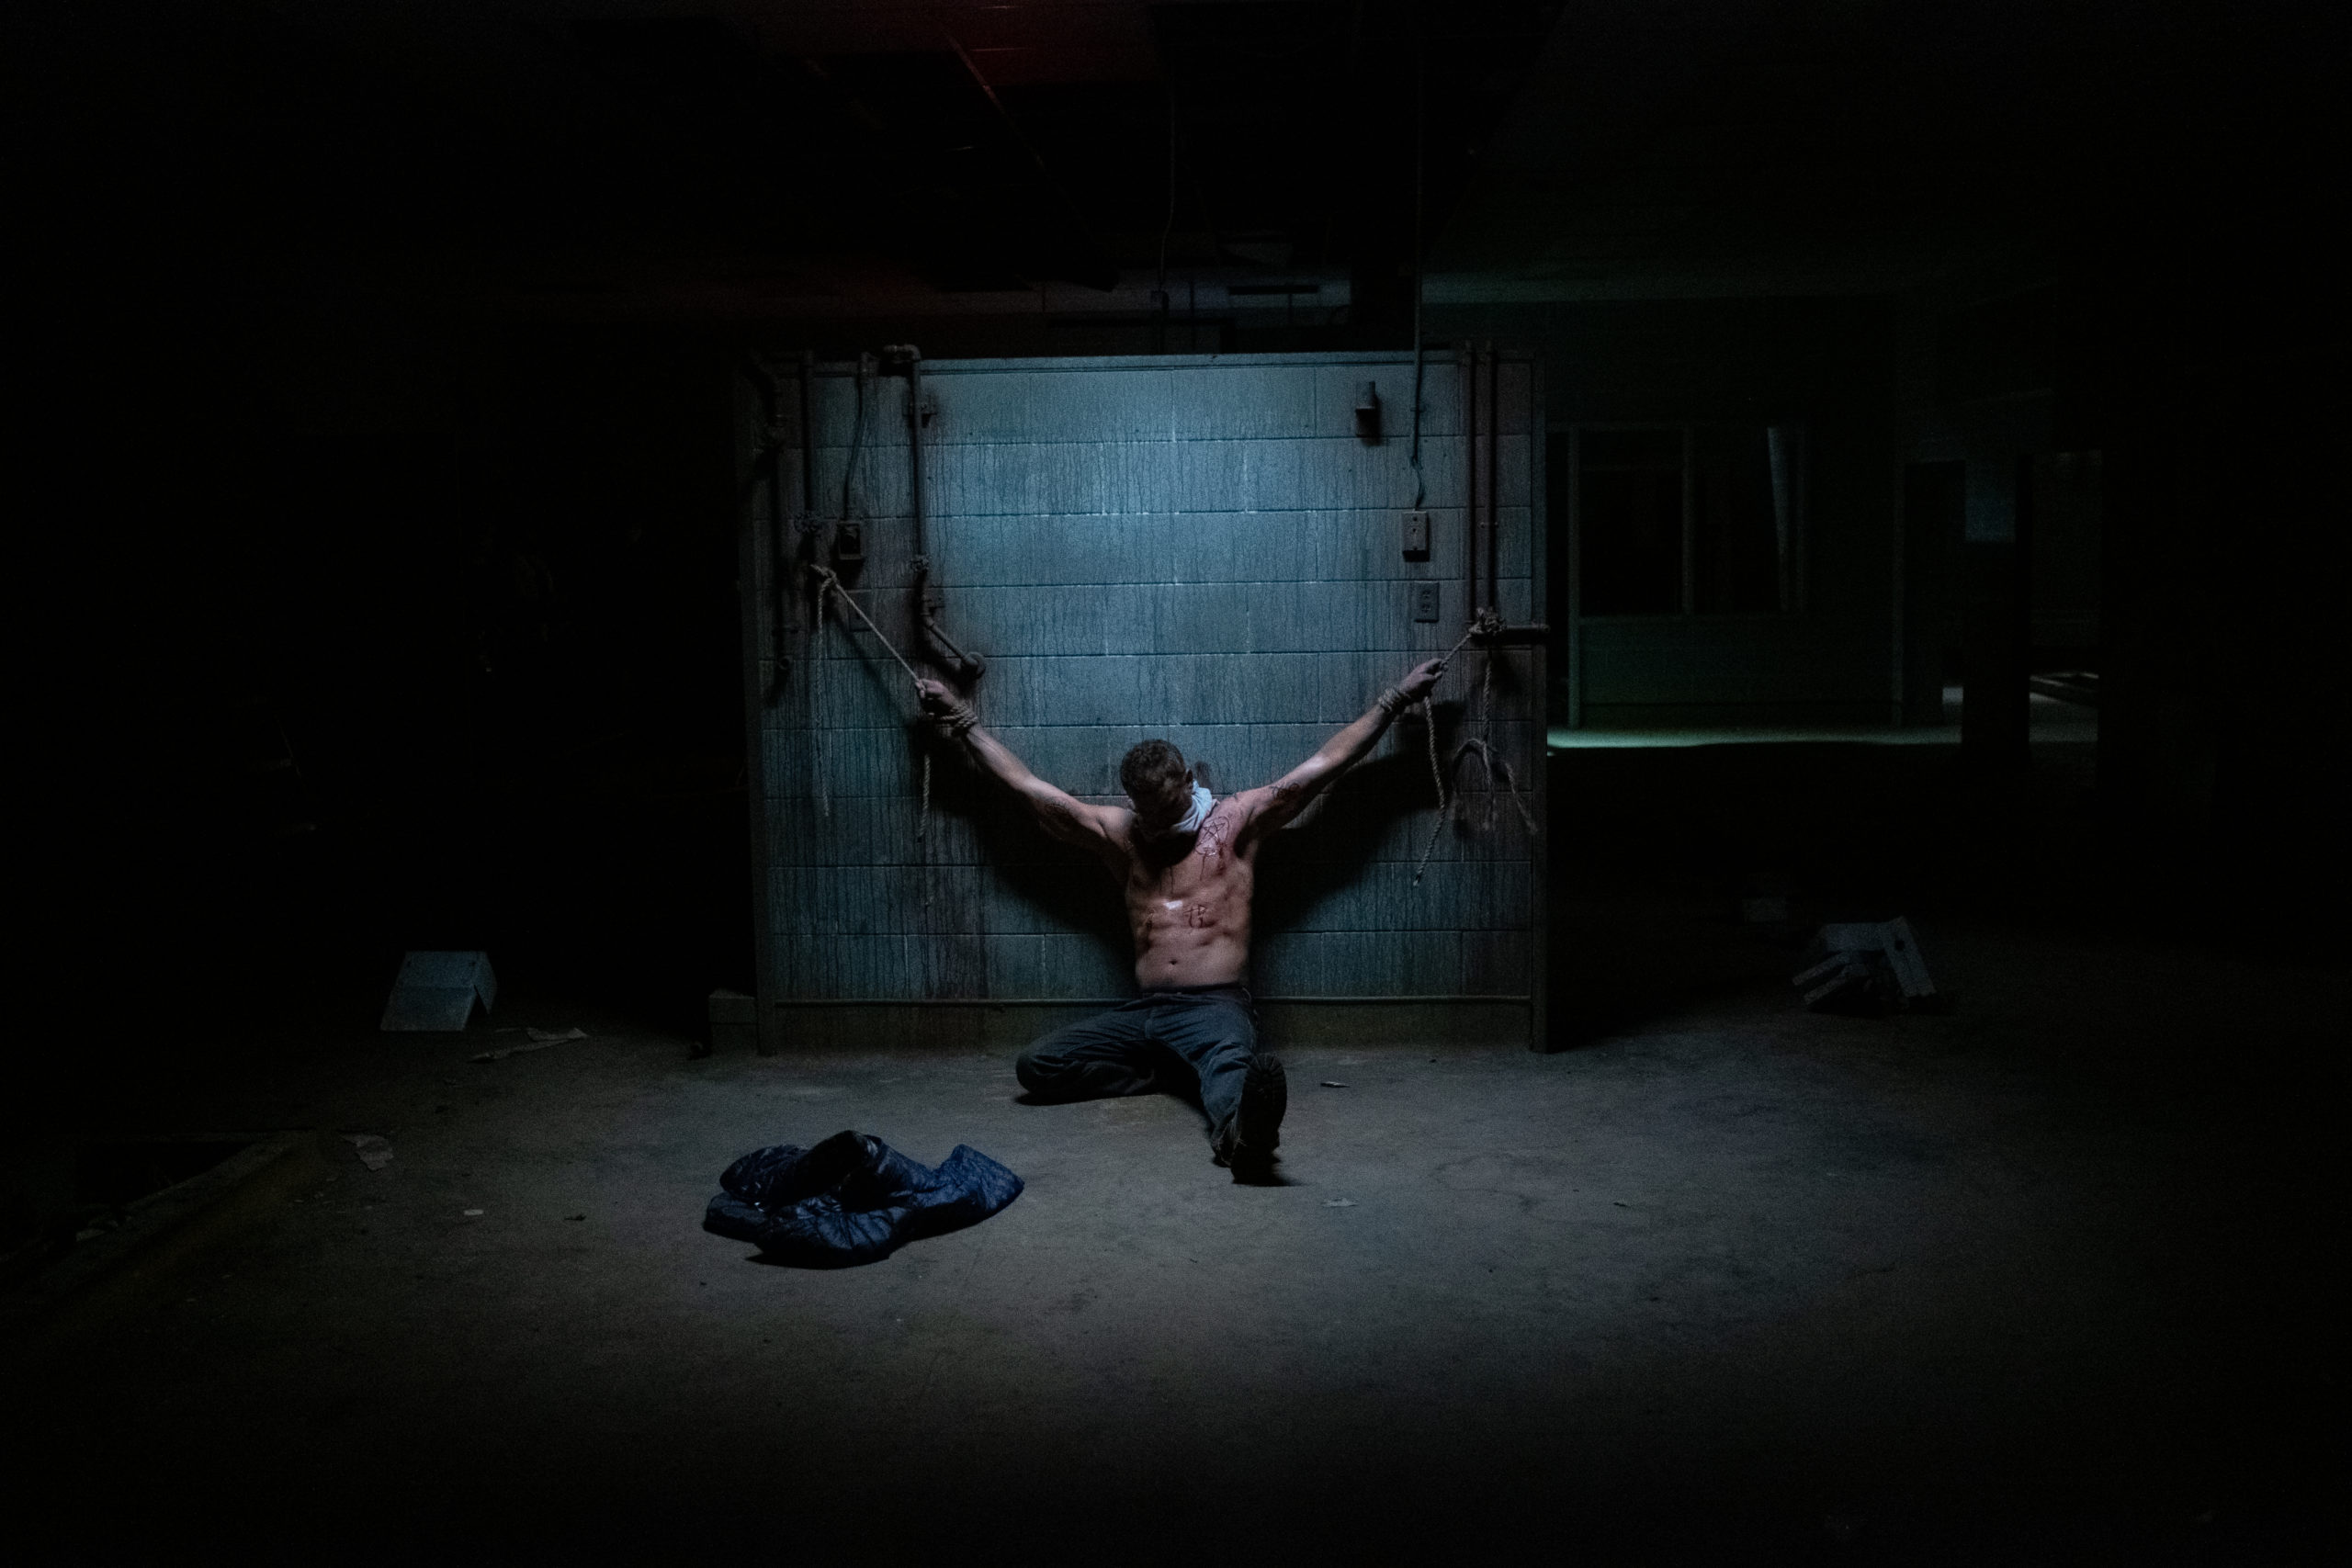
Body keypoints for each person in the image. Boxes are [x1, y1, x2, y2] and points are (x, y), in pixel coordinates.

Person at [915, 656, 1448, 1181]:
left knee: (1231, 1072)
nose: (1158, 822)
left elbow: (1325, 765)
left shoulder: (1237, 821)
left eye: (1168, 807)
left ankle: (1242, 1140)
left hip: (1214, 1005)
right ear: (1132, 801)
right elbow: (1027, 787)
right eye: (1146, 811)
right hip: (1145, 1011)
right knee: (1038, 1066)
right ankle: (1166, 1072)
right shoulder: (1119, 835)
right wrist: (961, 719)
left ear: (1188, 780)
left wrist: (1395, 698)